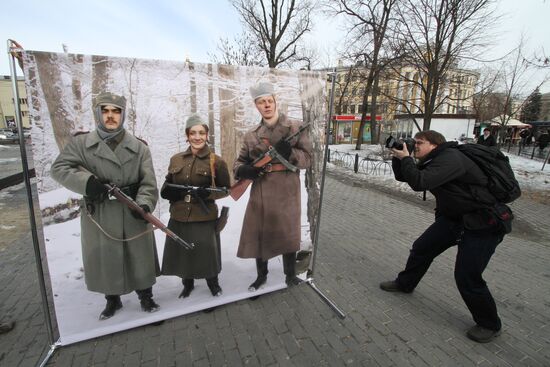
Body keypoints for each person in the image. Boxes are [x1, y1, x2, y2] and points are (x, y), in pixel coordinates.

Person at [380, 130, 508, 343]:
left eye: (420, 142)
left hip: (483, 223)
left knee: (467, 275)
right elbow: (405, 175)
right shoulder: (434, 158)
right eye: (415, 142)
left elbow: (420, 182)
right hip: (455, 219)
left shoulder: (451, 159)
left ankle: (489, 324)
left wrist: (407, 159)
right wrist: (399, 156)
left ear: (435, 144)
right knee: (422, 248)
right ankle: (405, 283)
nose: (416, 145)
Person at [51, 92, 160, 320]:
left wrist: (144, 204)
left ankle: (146, 296)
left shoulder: (139, 148)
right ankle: (112, 300)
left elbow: (149, 182)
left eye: (116, 111)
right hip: (99, 212)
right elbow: (59, 169)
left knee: (139, 257)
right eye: (105, 110)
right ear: (98, 113)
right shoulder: (81, 144)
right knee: (107, 257)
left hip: (132, 210)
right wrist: (88, 184)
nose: (111, 116)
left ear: (123, 115)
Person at [234, 82, 312, 291]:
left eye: (269, 101)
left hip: (287, 189)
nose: (266, 105)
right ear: (256, 106)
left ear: (275, 102)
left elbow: (307, 159)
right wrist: (243, 171)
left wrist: (291, 154)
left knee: (288, 233)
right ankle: (261, 276)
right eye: (261, 102)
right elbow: (239, 162)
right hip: (261, 188)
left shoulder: (294, 127)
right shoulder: (251, 134)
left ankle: (290, 276)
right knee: (261, 234)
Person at [160, 114, 230, 298]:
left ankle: (213, 284)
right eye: (193, 133)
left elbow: (226, 190)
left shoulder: (217, 161)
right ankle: (187, 284)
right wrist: (168, 191)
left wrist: (208, 193)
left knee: (207, 252)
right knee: (183, 253)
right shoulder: (176, 159)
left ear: (207, 135)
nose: (197, 137)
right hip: (179, 214)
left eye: (201, 133)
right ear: (187, 135)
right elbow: (168, 182)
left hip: (204, 215)